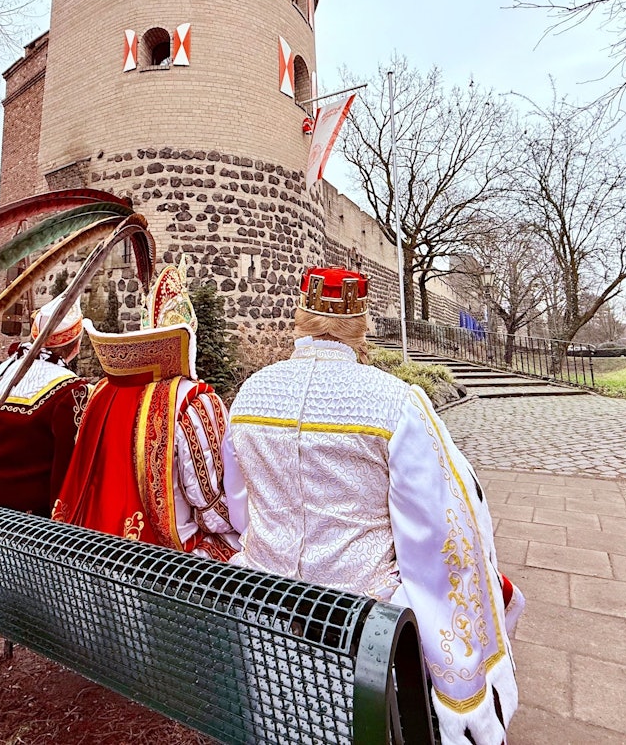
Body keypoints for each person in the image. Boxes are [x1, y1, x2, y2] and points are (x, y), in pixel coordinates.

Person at [222, 267, 522, 744]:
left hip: (262, 609)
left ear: (299, 319)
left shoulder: (250, 393)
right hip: (364, 625)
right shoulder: (392, 400)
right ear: (361, 326)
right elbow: (434, 532)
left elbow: (239, 508)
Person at [52, 260, 238, 560]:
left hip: (89, 548)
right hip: (159, 558)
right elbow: (212, 509)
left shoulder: (101, 391)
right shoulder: (194, 400)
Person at [0, 297, 90, 516]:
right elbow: (68, 470)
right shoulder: (71, 389)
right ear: (76, 345)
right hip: (21, 522)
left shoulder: (0, 372)